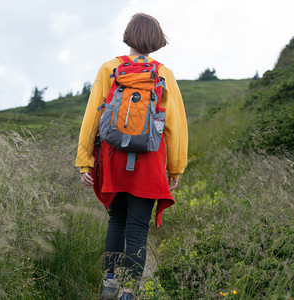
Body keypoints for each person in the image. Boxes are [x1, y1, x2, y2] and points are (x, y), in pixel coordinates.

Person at [75, 13, 188, 300]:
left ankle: (109, 285)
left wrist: (85, 160)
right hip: (149, 160)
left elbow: (92, 117)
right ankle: (129, 293)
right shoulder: (164, 74)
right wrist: (175, 168)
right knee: (138, 226)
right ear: (156, 41)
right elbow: (175, 126)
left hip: (113, 156)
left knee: (117, 220)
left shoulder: (109, 69)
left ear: (128, 35)